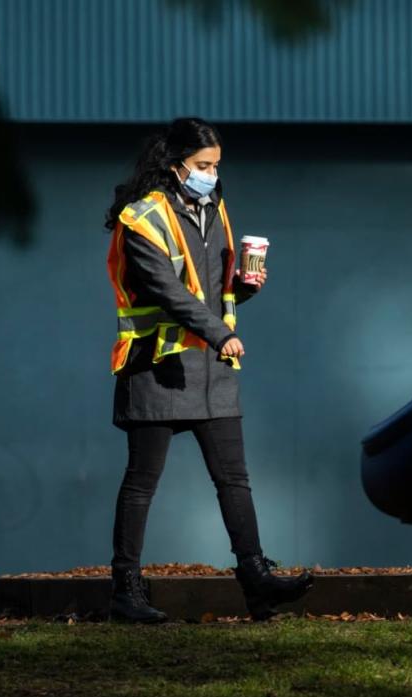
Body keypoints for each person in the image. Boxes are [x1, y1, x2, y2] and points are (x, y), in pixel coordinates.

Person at [104, 118, 313, 622]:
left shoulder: (213, 207)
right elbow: (167, 293)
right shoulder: (141, 219)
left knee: (234, 480)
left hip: (211, 367)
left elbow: (211, 286)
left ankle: (257, 581)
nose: (211, 175)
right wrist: (223, 333)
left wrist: (243, 286)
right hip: (156, 365)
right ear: (174, 165)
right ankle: (126, 592)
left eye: (216, 166)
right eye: (202, 166)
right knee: (141, 483)